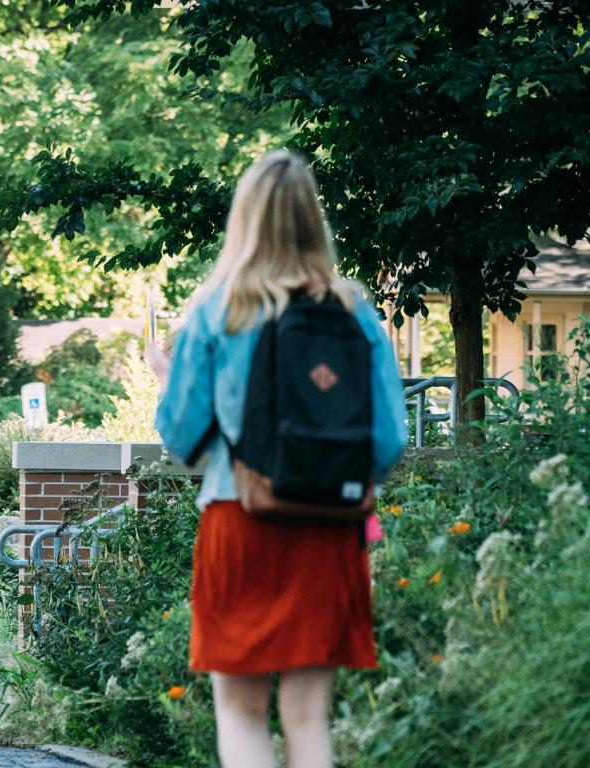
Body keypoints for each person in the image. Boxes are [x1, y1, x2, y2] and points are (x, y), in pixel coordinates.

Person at [148, 151, 407, 768]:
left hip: (241, 521)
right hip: (328, 530)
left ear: (246, 219)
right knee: (309, 719)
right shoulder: (353, 309)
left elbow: (181, 437)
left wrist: (165, 381)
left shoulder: (219, 308)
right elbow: (390, 440)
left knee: (240, 715)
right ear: (313, 221)